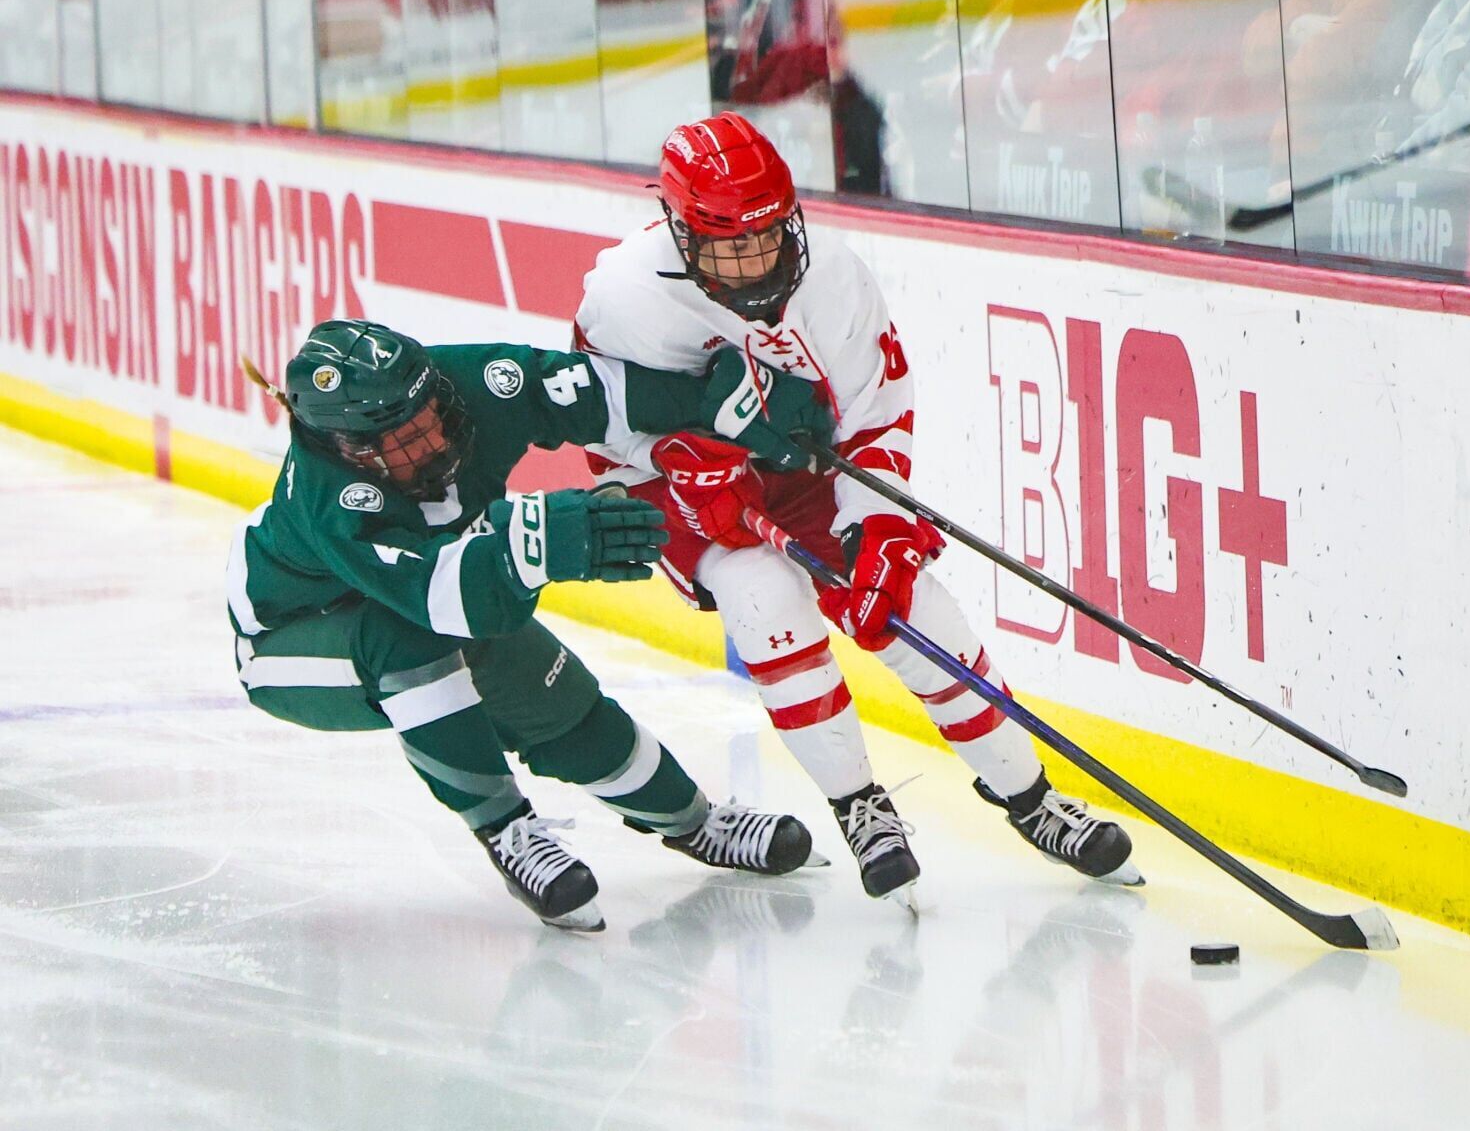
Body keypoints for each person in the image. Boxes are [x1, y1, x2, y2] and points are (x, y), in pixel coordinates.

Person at [574, 112, 1142, 907]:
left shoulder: (833, 278)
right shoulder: (626, 296)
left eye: (769, 235)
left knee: (912, 611)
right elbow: (601, 430)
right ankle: (859, 803)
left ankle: (1032, 797)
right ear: (679, 229)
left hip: (800, 470)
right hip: (683, 487)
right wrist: (673, 459)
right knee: (764, 597)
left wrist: (873, 524)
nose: (755, 260)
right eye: (730, 243)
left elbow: (876, 413)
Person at [226, 319, 831, 931]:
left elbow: (590, 391)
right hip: (289, 639)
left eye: (430, 414)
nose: (432, 438)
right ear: (349, 448)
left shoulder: (462, 381)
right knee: (403, 640)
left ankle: (695, 823)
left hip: (423, 603)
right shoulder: (332, 499)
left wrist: (714, 402)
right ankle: (507, 831)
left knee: (559, 702)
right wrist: (537, 544)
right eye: (404, 439)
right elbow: (446, 602)